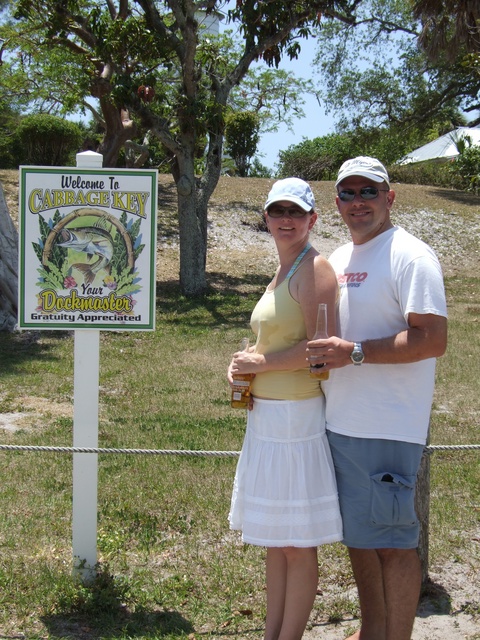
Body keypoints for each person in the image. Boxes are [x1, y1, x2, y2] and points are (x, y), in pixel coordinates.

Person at [307, 156, 448, 640]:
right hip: (340, 424)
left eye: (369, 192)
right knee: (360, 541)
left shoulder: (412, 255)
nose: (358, 202)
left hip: (388, 427)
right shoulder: (340, 259)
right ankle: (373, 631)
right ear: (337, 203)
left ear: (390, 197)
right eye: (348, 193)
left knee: (393, 544)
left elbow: (431, 339)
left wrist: (357, 354)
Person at [228, 177, 343, 640]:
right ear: (267, 219)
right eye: (278, 212)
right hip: (267, 419)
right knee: (276, 543)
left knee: (296, 544)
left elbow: (322, 350)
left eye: (296, 212)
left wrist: (261, 362)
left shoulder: (316, 269)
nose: (286, 220)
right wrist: (243, 370)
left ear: (313, 219)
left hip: (296, 421)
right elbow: (270, 343)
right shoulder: (284, 270)